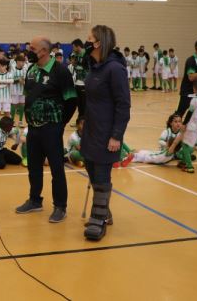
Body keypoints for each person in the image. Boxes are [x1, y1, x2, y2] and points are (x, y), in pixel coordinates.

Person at [15, 36, 77, 224]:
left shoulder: (61, 71)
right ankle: (35, 200)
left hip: (52, 129)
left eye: (32, 48)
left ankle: (60, 206)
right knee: (34, 167)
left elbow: (71, 100)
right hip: (33, 128)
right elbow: (28, 96)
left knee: (57, 169)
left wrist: (60, 124)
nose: (28, 50)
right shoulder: (32, 70)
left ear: (43, 51)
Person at [80, 25, 131, 241]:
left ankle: (98, 219)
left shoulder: (115, 69)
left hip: (106, 133)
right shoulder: (95, 67)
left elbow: (123, 105)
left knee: (101, 177)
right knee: (92, 172)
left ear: (98, 42)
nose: (86, 42)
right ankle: (104, 211)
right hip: (91, 131)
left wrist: (116, 136)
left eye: (89, 38)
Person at [178, 79, 197, 174]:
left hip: (193, 125)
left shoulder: (195, 100)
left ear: (194, 89)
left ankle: (189, 166)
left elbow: (189, 113)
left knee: (185, 145)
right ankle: (183, 161)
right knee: (190, 143)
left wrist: (184, 124)